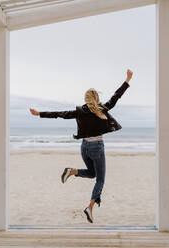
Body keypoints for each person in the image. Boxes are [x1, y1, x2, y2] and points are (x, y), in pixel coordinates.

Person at [29, 69, 133, 223]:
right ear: (96, 98)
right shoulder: (102, 109)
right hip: (97, 147)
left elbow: (60, 114)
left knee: (92, 174)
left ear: (86, 98)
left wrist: (39, 114)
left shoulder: (79, 112)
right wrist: (127, 80)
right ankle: (89, 208)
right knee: (100, 180)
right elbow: (115, 97)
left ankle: (72, 171)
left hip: (84, 147)